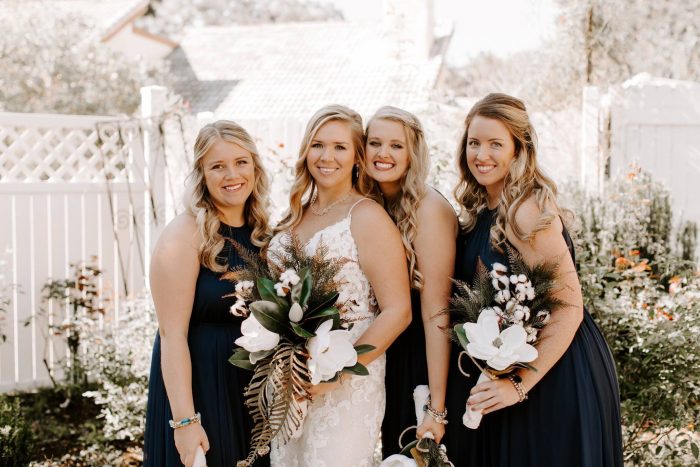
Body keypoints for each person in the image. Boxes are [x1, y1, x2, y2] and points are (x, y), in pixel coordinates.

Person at [444, 93, 623, 466]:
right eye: (474, 143)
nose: (482, 155)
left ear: (518, 149)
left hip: (555, 375)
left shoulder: (524, 210)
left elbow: (570, 306)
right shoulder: (483, 209)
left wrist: (518, 386)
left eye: (496, 144)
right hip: (512, 371)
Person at [268, 104, 412, 467]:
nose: (326, 156)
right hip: (291, 382)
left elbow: (398, 311)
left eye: (339, 147)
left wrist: (341, 371)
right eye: (317, 145)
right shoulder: (292, 216)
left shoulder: (366, 216)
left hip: (347, 387)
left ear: (357, 157)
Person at [144, 121, 271, 467]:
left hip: (250, 389)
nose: (232, 174)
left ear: (255, 167)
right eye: (218, 166)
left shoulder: (263, 233)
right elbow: (171, 335)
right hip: (200, 385)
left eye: (241, 162)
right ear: (202, 173)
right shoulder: (184, 235)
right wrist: (185, 421)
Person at [364, 106, 456, 455]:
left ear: (413, 153)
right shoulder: (373, 204)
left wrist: (437, 406)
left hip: (426, 354)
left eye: (396, 146)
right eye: (375, 142)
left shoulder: (427, 208)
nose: (383, 153)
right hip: (392, 349)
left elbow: (438, 312)